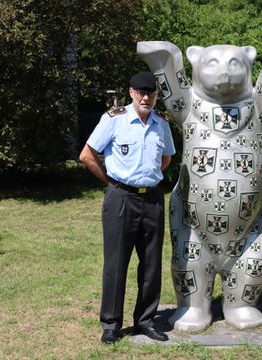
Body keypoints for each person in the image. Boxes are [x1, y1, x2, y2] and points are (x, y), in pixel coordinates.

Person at [79, 71, 176, 344]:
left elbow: (166, 159)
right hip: (120, 199)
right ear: (131, 92)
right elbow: (87, 155)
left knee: (151, 264)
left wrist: (146, 179)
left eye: (151, 93)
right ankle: (110, 324)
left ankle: (145, 321)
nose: (146, 97)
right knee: (116, 264)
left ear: (156, 95)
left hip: (153, 199)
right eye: (141, 92)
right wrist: (113, 180)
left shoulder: (161, 124)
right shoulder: (114, 120)